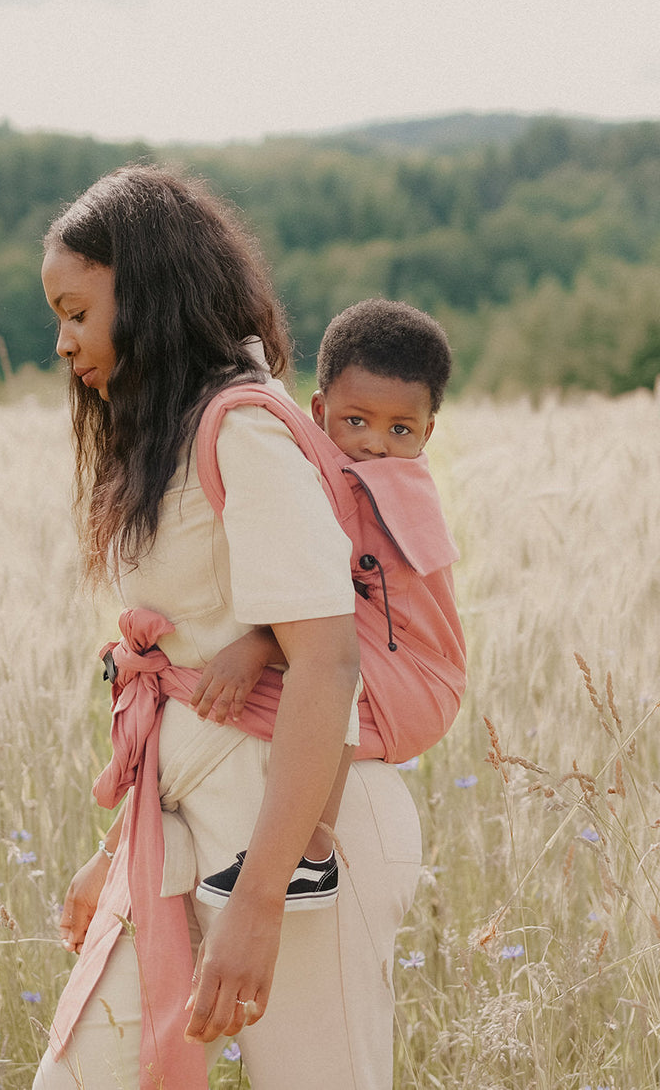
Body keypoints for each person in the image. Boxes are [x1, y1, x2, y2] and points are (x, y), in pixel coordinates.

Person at [33, 166, 434, 1090]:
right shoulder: (165, 438)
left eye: (78, 310)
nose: (63, 340)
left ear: (150, 294)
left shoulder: (242, 429)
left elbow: (327, 665)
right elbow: (187, 667)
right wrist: (115, 856)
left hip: (298, 851)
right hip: (185, 836)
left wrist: (261, 897)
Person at [193, 299, 452, 911]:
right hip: (397, 662)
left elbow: (338, 602)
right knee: (331, 674)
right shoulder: (326, 468)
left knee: (334, 684)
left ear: (427, 432)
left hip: (413, 672)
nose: (376, 445)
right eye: (356, 421)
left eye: (400, 430)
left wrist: (259, 644)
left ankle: (310, 856)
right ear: (319, 412)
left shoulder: (396, 490)